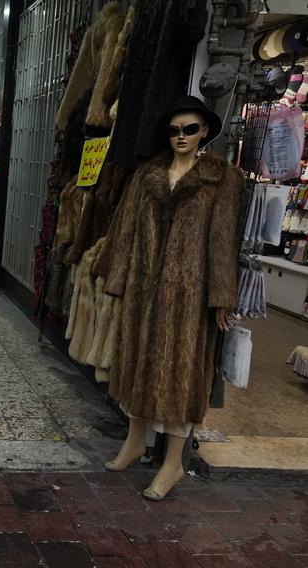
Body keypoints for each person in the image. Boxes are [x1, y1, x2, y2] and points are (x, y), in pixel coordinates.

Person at [95, 96, 244, 501]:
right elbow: (124, 230)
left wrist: (221, 298)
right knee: (137, 365)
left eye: (190, 129)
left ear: (205, 131)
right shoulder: (147, 174)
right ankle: (135, 440)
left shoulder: (222, 179)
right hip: (144, 290)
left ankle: (174, 462)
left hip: (189, 296)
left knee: (180, 377)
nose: (181, 137)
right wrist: (117, 280)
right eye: (175, 130)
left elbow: (223, 243)